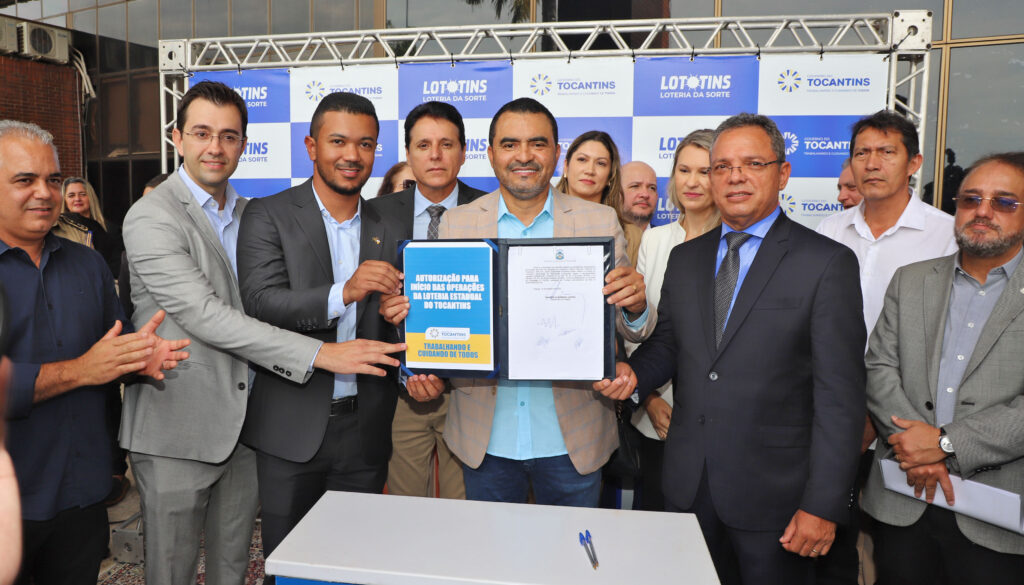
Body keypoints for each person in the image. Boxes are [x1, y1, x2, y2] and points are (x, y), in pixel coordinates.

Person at [121, 82, 404, 585]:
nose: (216, 147)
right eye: (202, 133)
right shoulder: (152, 215)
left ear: (243, 145)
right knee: (172, 572)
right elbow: (208, 316)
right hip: (179, 424)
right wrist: (322, 354)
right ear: (176, 138)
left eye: (229, 136)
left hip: (248, 426)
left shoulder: (251, 212)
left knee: (235, 568)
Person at [623, 113, 866, 585]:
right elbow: (669, 343)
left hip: (778, 500)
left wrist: (823, 504)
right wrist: (632, 376)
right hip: (689, 487)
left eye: (752, 163)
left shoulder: (826, 262)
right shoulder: (685, 258)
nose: (735, 177)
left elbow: (841, 399)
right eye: (722, 166)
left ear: (783, 173)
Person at [383, 97, 653, 507]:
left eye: (537, 143)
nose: (524, 156)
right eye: (509, 144)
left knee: (570, 549)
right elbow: (445, 319)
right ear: (491, 154)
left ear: (556, 153)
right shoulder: (456, 223)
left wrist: (635, 307)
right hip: (484, 439)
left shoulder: (598, 221)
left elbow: (627, 326)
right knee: (489, 548)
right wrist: (417, 351)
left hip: (573, 440)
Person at [0, 120, 188, 585]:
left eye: (53, 179)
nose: (45, 193)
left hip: (83, 496)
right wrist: (83, 370)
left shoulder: (87, 263)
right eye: (25, 180)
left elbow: (109, 354)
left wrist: (137, 361)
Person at [236, 91, 406, 559]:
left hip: (366, 431)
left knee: (356, 563)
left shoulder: (391, 226)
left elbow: (397, 326)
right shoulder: (267, 214)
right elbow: (260, 303)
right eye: (338, 141)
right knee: (289, 563)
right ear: (312, 146)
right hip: (290, 431)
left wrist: (401, 322)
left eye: (365, 144)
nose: (352, 155)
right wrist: (344, 292)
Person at [862, 152, 1024, 584]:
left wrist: (946, 445)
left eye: (1004, 202)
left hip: (1001, 516)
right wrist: (914, 448)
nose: (983, 211)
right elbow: (879, 367)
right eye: (970, 199)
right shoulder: (911, 280)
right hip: (903, 501)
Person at [815, 111, 958, 583]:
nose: (872, 163)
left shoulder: (947, 236)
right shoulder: (825, 233)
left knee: (898, 553)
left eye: (886, 152)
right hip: (827, 412)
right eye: (862, 153)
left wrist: (879, 417)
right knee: (828, 544)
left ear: (914, 162)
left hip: (907, 421)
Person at [368, 101, 485, 500]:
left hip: (472, 394)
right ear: (408, 153)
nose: (435, 155)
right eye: (423, 145)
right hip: (399, 392)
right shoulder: (375, 215)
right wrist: (382, 309)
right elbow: (355, 300)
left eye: (446, 144)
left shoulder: (492, 210)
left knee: (465, 513)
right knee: (407, 514)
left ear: (464, 152)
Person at [630, 128, 719, 512]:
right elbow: (636, 327)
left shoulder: (737, 243)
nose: (692, 182)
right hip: (656, 414)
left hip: (717, 420)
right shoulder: (654, 240)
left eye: (705, 171)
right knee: (655, 519)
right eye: (684, 170)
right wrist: (648, 398)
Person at [554, 130, 643, 265]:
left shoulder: (632, 235)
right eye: (582, 160)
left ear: (610, 175)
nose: (590, 170)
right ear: (566, 167)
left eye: (601, 163)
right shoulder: (545, 220)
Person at [51, 177, 121, 276]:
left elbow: (117, 266)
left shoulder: (110, 229)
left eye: (83, 194)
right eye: (71, 195)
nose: (77, 199)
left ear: (90, 197)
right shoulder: (56, 229)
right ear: (64, 200)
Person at [620, 160, 658, 230]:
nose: (645, 194)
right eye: (635, 186)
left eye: (652, 188)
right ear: (617, 193)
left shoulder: (669, 236)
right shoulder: (602, 234)